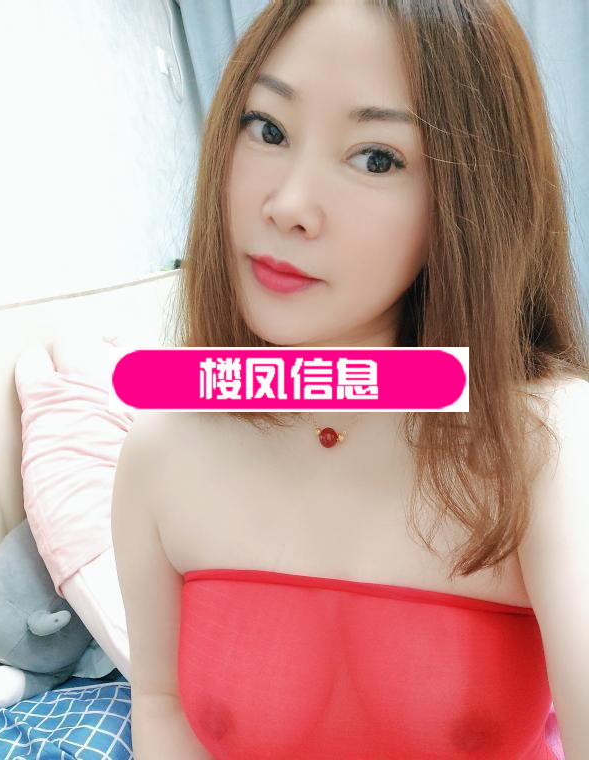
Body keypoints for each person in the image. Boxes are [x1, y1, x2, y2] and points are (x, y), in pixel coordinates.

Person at [111, 1, 589, 758]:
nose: (288, 206)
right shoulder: (160, 452)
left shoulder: (543, 439)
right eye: (268, 129)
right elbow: (163, 711)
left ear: (470, 200)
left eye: (376, 158)